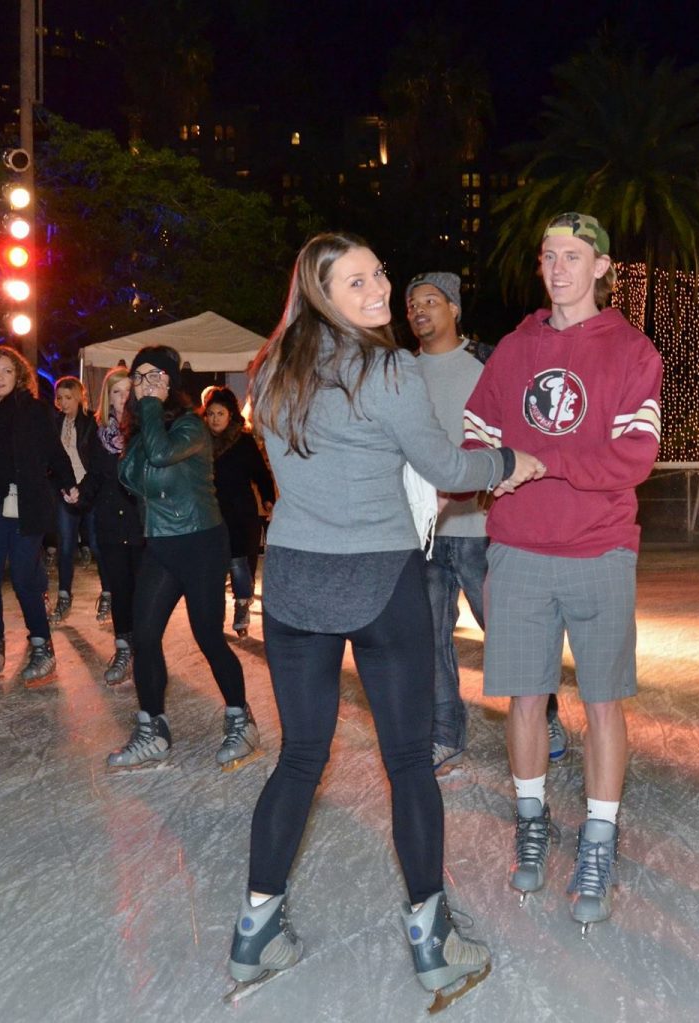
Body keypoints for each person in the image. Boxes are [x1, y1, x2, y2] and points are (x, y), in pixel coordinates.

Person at [227, 233, 538, 1009]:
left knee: (301, 756)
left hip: (295, 581)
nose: (379, 289)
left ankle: (254, 931)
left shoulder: (269, 371)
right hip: (379, 577)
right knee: (406, 761)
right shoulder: (389, 369)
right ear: (321, 293)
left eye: (379, 274)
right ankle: (432, 940)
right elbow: (448, 469)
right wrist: (509, 464)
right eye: (357, 281)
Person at [462, 212, 663, 935]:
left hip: (600, 548)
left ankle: (599, 842)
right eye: (548, 255)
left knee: (603, 701)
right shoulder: (515, 349)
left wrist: (542, 461)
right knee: (525, 699)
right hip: (517, 549)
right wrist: (485, 470)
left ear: (601, 266)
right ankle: (532, 821)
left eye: (572, 256)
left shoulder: (633, 351)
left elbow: (634, 455)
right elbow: (477, 435)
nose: (557, 268)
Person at [406, 270, 569, 775]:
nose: (418, 311)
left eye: (430, 301)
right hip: (424, 534)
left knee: (509, 633)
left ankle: (545, 716)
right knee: (430, 639)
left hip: (481, 528)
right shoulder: (402, 373)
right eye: (411, 305)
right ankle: (445, 733)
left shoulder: (488, 362)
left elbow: (519, 428)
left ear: (454, 308)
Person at [107, 345, 258, 772]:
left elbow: (161, 456)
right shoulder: (142, 431)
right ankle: (152, 728)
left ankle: (241, 719)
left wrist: (149, 408)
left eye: (156, 376)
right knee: (144, 637)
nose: (146, 384)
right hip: (160, 545)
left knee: (207, 637)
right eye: (139, 377)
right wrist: (133, 421)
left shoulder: (191, 426)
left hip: (200, 542)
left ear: (171, 383)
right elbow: (130, 478)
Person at [0, 346, 79, 685]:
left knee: (23, 577)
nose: (0, 377)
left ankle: (41, 646)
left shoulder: (34, 410)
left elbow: (54, 451)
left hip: (26, 505)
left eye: (7, 370)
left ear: (18, 375)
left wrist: (68, 483)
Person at [82, 366, 145, 684]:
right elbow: (94, 476)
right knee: (119, 588)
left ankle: (145, 647)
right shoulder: (98, 436)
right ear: (107, 397)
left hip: (141, 522)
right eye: (116, 392)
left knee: (142, 589)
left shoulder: (145, 432)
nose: (122, 398)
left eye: (127, 392)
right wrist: (78, 495)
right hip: (109, 520)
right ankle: (123, 647)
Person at [201, 385, 275, 639]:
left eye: (220, 413)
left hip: (239, 513)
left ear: (230, 414)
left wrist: (268, 498)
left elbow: (261, 474)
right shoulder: (200, 442)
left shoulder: (243, 442)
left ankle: (242, 605)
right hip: (210, 513)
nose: (215, 419)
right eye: (211, 414)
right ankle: (214, 615)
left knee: (238, 563)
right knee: (212, 566)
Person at [50, 376, 99, 624]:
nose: (63, 402)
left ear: (79, 397)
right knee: (66, 545)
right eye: (60, 398)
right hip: (65, 491)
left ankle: (108, 592)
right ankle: (64, 594)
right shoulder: (55, 422)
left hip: (89, 490)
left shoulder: (91, 422)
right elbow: (52, 460)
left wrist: (83, 488)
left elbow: (97, 461)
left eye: (68, 397)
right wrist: (63, 487)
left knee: (98, 543)